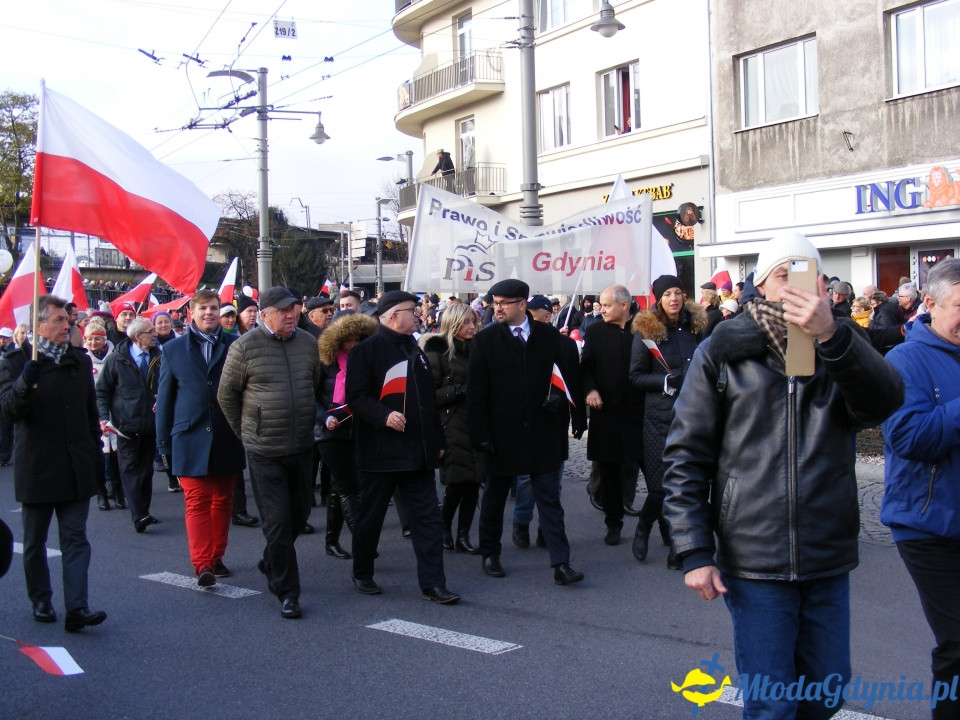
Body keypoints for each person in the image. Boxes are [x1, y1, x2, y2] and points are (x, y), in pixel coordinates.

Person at [662, 231, 904, 720]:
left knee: (827, 692)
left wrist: (831, 338)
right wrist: (693, 551)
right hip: (754, 551)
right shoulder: (723, 350)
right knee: (773, 703)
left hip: (826, 549)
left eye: (806, 274)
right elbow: (686, 453)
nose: (795, 285)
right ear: (761, 285)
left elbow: (884, 402)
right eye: (783, 273)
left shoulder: (843, 343)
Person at [468, 279, 587, 585]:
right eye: (495, 303)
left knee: (549, 499)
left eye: (504, 303)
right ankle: (490, 553)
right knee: (494, 498)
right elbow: (477, 393)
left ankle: (561, 563)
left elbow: (565, 379)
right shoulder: (486, 340)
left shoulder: (550, 338)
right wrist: (480, 435)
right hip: (501, 434)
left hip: (542, 432)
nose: (497, 308)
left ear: (523, 304)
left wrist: (560, 402)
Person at [881, 258, 960, 720]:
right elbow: (907, 437)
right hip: (927, 525)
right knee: (957, 641)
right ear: (929, 304)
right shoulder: (904, 358)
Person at [0, 295, 107, 632]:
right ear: (39, 325)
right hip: (38, 469)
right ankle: (41, 598)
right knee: (35, 542)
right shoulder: (17, 362)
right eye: (60, 320)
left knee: (76, 540)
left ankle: (78, 607)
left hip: (76, 467)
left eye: (68, 320)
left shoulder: (76, 360)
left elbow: (91, 414)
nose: (67, 325)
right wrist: (24, 382)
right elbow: (7, 412)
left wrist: (95, 454)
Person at [345, 291, 458, 604]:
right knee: (371, 518)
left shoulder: (416, 349)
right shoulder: (366, 351)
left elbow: (427, 402)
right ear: (393, 315)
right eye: (412, 310)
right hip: (380, 453)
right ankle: (363, 571)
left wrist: (436, 443)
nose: (419, 314)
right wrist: (384, 415)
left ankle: (433, 584)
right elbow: (356, 398)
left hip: (417, 453)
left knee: (426, 520)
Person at [218, 287, 323, 619]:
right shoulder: (244, 347)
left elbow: (315, 384)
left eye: (294, 308)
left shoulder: (308, 344)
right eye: (282, 310)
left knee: (299, 515)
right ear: (264, 315)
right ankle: (287, 591)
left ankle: (271, 560)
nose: (291, 315)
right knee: (277, 522)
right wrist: (247, 435)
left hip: (302, 446)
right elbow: (227, 397)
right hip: (264, 451)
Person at [156, 290, 246, 587]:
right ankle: (202, 563)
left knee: (222, 500)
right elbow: (166, 400)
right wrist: (163, 444)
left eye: (214, 307)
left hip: (226, 434)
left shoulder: (236, 345)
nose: (209, 312)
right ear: (191, 313)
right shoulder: (173, 349)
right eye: (203, 308)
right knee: (196, 501)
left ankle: (217, 557)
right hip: (189, 436)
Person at [629, 275, 706, 568]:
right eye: (667, 294)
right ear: (658, 299)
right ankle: (644, 527)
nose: (674, 298)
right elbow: (635, 377)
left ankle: (679, 546)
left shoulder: (696, 329)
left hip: (693, 415)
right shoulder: (648, 333)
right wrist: (664, 380)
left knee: (688, 485)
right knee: (661, 487)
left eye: (678, 292)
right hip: (659, 419)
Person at [580, 284, 644, 546]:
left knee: (644, 468)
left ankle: (657, 523)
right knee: (608, 471)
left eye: (606, 305)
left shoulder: (643, 330)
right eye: (601, 304)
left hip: (638, 412)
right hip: (605, 412)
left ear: (624, 305)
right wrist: (590, 390)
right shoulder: (594, 332)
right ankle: (613, 523)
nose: (601, 309)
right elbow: (584, 369)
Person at [315, 310, 379, 559]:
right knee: (348, 487)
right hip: (330, 433)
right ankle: (364, 542)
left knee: (337, 487)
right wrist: (325, 417)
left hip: (358, 429)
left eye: (358, 339)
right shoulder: (325, 363)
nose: (353, 345)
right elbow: (310, 397)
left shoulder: (366, 361)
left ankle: (331, 541)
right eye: (348, 340)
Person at [422, 303, 484, 554]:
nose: (470, 327)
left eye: (473, 322)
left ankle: (464, 534)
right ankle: (445, 526)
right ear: (453, 323)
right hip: (451, 421)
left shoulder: (478, 349)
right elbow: (428, 394)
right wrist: (457, 390)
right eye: (465, 322)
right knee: (458, 481)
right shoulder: (438, 351)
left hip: (477, 421)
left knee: (475, 481)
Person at [96, 316, 162, 533]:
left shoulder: (160, 356)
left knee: (146, 470)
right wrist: (104, 416)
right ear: (138, 336)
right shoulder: (117, 360)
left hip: (151, 424)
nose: (155, 333)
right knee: (130, 469)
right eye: (150, 331)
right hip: (125, 425)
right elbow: (102, 391)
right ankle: (138, 514)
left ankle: (144, 510)